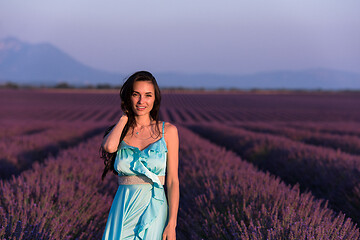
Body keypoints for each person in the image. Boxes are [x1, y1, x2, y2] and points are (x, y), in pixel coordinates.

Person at [100, 71, 179, 240]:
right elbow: (109, 147)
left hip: (154, 206)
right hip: (124, 207)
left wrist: (171, 223)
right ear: (129, 97)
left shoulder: (169, 132)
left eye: (148, 95)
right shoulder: (121, 131)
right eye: (136, 95)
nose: (142, 101)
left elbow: (172, 181)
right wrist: (124, 117)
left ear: (155, 99)